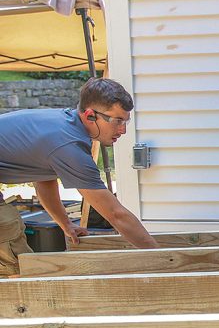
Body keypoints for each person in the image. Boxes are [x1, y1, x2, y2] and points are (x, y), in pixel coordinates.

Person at [0, 77, 158, 276]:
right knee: (9, 241)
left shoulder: (66, 126)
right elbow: (116, 215)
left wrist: (66, 224)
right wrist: (161, 257)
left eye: (126, 121)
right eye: (117, 120)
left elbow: (44, 179)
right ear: (91, 115)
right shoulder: (68, 146)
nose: (123, 130)